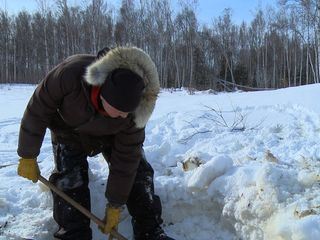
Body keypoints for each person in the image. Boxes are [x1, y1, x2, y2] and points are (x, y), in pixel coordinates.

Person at [17, 46, 175, 240]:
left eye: (127, 112)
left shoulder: (134, 115)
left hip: (112, 136)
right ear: (103, 92)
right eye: (118, 110)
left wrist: (115, 204)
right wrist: (28, 155)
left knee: (138, 172)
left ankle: (150, 230)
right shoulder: (69, 75)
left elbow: (127, 161)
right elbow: (37, 110)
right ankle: (74, 234)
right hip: (68, 131)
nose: (123, 115)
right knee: (70, 179)